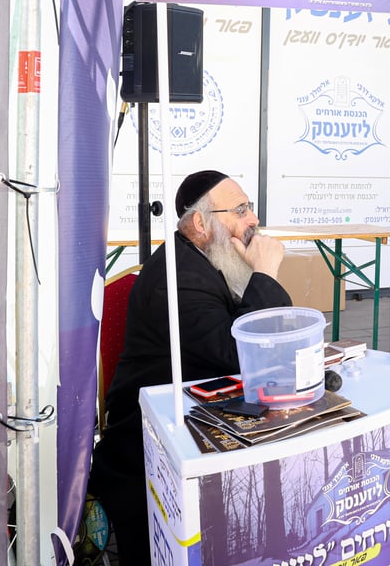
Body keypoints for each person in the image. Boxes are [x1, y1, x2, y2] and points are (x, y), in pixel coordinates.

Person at [88, 170, 291, 564]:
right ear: (201, 223)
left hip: (204, 411)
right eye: (241, 210)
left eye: (251, 208)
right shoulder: (177, 276)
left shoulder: (209, 258)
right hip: (153, 438)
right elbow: (236, 353)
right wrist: (264, 274)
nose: (253, 220)